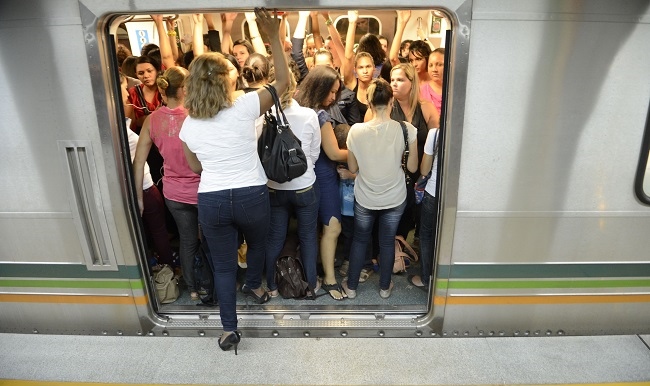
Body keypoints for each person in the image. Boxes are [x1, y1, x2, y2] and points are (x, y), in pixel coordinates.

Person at [179, 7, 289, 354]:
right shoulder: (243, 106)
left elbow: (195, 166)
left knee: (225, 268)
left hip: (211, 199)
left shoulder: (189, 125)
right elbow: (283, 83)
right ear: (224, 81)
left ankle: (229, 329)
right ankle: (254, 285)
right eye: (232, 73)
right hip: (250, 195)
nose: (237, 77)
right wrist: (272, 35)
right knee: (258, 245)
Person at [342, 78, 418, 299]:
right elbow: (412, 167)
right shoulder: (407, 130)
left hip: (365, 196)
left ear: (368, 101)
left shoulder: (356, 130)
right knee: (387, 240)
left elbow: (353, 167)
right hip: (395, 197)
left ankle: (352, 287)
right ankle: (385, 288)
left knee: (360, 239)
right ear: (392, 100)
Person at [133, 66, 201, 301]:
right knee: (210, 238)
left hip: (173, 193)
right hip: (202, 189)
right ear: (183, 89)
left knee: (187, 239)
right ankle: (211, 284)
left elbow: (139, 161)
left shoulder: (152, 120)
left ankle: (191, 288)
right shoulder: (195, 115)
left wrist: (138, 198)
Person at [264, 72, 322, 298]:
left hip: (274, 187)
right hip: (304, 186)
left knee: (275, 237)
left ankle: (271, 285)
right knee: (308, 237)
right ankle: (311, 284)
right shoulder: (309, 115)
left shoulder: (264, 114)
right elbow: (314, 152)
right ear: (295, 90)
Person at [295, 66, 347, 300]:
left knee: (306, 231)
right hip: (323, 175)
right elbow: (334, 153)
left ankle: (308, 278)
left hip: (296, 178)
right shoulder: (321, 115)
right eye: (331, 92)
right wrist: (361, 150)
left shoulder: (294, 106)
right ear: (319, 88)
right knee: (332, 227)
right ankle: (330, 279)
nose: (333, 98)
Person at [389, 63, 439, 240]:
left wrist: (427, 175)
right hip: (392, 173)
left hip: (420, 173)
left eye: (400, 80)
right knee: (394, 220)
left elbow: (437, 142)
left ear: (412, 82)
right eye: (392, 80)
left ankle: (404, 251)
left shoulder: (426, 107)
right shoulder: (384, 109)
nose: (394, 84)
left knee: (414, 218)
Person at [408, 126, 440, 291]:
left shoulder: (435, 134)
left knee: (427, 236)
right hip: (460, 197)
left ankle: (426, 278)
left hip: (434, 193)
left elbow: (425, 170)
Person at [421, 48, 445, 114]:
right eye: (430, 65)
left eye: (439, 65)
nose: (434, 69)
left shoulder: (455, 91)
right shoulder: (421, 91)